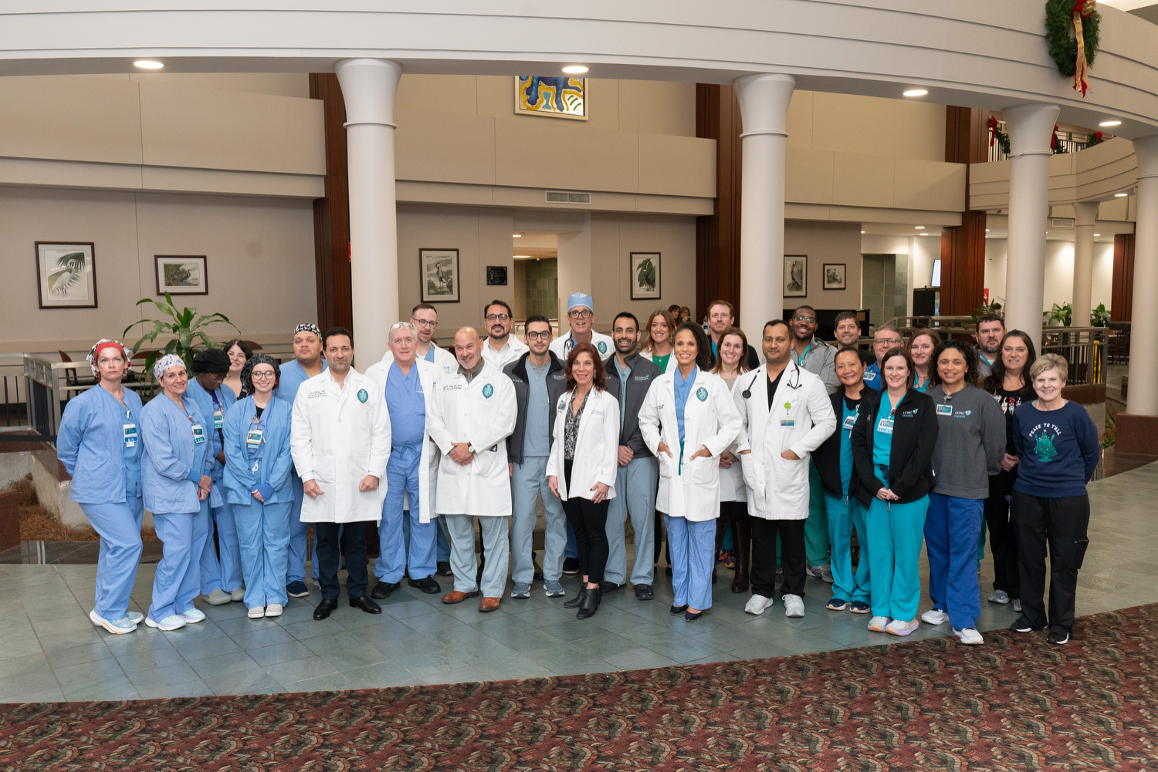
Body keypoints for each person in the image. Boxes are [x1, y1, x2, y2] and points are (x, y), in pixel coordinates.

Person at [639, 323, 741, 621]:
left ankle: (698, 598)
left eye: (690, 344)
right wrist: (657, 444)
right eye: (680, 344)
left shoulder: (712, 384)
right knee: (676, 538)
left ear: (699, 349)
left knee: (702, 539)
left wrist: (711, 448)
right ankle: (680, 595)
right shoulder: (660, 384)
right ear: (674, 348)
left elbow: (732, 423)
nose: (684, 349)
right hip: (672, 470)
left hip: (700, 470)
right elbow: (646, 419)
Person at [733, 320, 836, 618]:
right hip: (758, 471)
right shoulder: (747, 381)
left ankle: (793, 593)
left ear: (791, 343)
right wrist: (744, 449)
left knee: (792, 537)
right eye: (768, 339)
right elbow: (734, 422)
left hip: (790, 470)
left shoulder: (809, 381)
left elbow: (827, 422)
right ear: (762, 342)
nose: (773, 345)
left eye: (780, 339)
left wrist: (798, 449)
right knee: (762, 536)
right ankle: (762, 591)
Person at [290, 327, 391, 621]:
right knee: (325, 542)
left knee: (357, 541)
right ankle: (329, 595)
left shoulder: (368, 387)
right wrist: (307, 475)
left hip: (360, 478)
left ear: (353, 351)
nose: (339, 354)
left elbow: (382, 433)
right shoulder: (309, 389)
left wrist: (374, 472)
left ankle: (358, 592)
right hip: (322, 479)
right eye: (333, 349)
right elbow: (299, 437)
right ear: (325, 352)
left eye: (345, 348)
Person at [1009, 354, 1099, 646]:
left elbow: (1091, 454)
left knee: (1065, 560)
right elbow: (1022, 448)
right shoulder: (1023, 413)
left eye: (1052, 379)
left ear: (1063, 382)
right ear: (1033, 382)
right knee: (1028, 557)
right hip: (1027, 494)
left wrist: (1071, 482)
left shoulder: (1076, 414)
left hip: (1068, 499)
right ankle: (1033, 616)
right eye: (1040, 379)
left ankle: (1061, 624)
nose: (1046, 385)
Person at [57, 340, 146, 635]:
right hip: (100, 489)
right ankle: (109, 611)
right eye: (104, 360)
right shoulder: (82, 404)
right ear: (95, 366)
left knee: (113, 547)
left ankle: (109, 607)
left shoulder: (134, 399)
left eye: (116, 359)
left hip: (131, 487)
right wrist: (89, 473)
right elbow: (66, 449)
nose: (111, 365)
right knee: (129, 544)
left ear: (126, 363)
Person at [921, 340, 1005, 645]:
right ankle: (942, 605)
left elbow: (995, 450)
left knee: (964, 554)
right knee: (938, 551)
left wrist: (977, 473)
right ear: (936, 366)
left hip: (968, 490)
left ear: (968, 365)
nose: (950, 367)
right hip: (933, 490)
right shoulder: (927, 399)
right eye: (944, 362)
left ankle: (965, 619)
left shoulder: (982, 401)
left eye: (956, 362)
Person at [851, 347, 938, 637]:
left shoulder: (922, 403)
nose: (894, 373)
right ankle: (881, 610)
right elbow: (858, 445)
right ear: (881, 371)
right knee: (878, 552)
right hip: (874, 489)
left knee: (906, 553)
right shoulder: (870, 402)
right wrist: (874, 485)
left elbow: (923, 450)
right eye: (889, 368)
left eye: (901, 368)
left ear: (909, 372)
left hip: (909, 491)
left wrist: (899, 487)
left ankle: (903, 614)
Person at [429, 327, 518, 612]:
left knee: (494, 535)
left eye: (470, 346)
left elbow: (505, 423)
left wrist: (471, 446)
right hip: (454, 465)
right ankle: (464, 584)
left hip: (487, 467)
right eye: (459, 348)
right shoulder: (445, 383)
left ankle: (492, 589)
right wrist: (452, 449)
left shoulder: (501, 382)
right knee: (459, 533)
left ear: (480, 345)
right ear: (454, 350)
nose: (465, 353)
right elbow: (433, 421)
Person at [364, 322, 443, 600]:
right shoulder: (375, 373)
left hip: (423, 453)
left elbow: (442, 411)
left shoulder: (433, 372)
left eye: (408, 339)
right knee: (389, 515)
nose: (404, 345)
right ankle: (389, 573)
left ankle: (421, 571)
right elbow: (367, 417)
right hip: (390, 456)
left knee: (424, 514)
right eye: (397, 341)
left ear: (416, 342)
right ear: (390, 346)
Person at [139, 354, 214, 631]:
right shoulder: (153, 411)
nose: (178, 379)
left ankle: (184, 603)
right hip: (170, 494)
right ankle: (159, 610)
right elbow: (163, 460)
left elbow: (205, 444)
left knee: (195, 548)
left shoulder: (191, 405)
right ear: (160, 380)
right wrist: (198, 478)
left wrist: (204, 479)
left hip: (196, 492)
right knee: (177, 551)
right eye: (171, 375)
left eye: (182, 373)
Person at [548, 343, 620, 619]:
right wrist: (553, 472)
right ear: (570, 369)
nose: (581, 369)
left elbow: (611, 443)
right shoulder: (564, 399)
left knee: (595, 534)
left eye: (587, 363)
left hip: (593, 479)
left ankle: (593, 591)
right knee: (579, 534)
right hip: (566, 475)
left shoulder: (607, 401)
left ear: (596, 369)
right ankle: (585, 586)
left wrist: (605, 479)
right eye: (577, 363)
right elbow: (557, 439)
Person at [222, 355, 294, 619]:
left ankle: (275, 596)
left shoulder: (287, 410)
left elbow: (289, 450)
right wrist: (252, 484)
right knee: (250, 545)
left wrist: (271, 485)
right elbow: (231, 452)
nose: (263, 378)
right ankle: (254, 598)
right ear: (249, 378)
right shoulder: (236, 411)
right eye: (257, 374)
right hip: (244, 490)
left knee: (276, 543)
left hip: (277, 490)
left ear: (276, 378)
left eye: (269, 373)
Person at [503, 315, 570, 599]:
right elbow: (503, 416)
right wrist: (508, 455)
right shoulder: (511, 371)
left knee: (556, 518)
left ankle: (553, 576)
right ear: (525, 338)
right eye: (533, 334)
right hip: (523, 459)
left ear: (551, 337)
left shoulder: (565, 370)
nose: (539, 339)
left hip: (555, 459)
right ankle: (522, 576)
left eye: (544, 334)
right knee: (522, 520)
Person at [603, 312, 662, 601]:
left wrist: (631, 446)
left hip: (642, 457)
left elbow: (656, 416)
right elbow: (594, 415)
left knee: (643, 518)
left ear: (638, 336)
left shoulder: (652, 371)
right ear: (612, 335)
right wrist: (613, 447)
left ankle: (642, 577)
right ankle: (613, 575)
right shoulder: (600, 371)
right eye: (619, 330)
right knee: (612, 520)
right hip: (608, 458)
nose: (624, 335)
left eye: (629, 330)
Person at [812, 346, 872, 614]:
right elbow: (817, 442)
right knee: (838, 538)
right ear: (835, 371)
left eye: (852, 364)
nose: (847, 370)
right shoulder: (830, 403)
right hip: (837, 486)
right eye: (841, 366)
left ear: (864, 367)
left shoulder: (878, 401)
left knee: (869, 540)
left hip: (867, 487)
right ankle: (842, 588)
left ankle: (864, 590)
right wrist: (826, 473)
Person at [981, 330, 1037, 612]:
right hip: (994, 471)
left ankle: (1019, 589)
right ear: (1000, 353)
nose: (1013, 354)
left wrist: (1019, 458)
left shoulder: (1036, 387)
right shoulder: (987, 386)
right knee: (998, 528)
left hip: (1027, 472)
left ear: (1029, 354)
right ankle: (1001, 585)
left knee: (1022, 530)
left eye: (1020, 349)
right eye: (1008, 349)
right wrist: (997, 456)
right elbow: (978, 427)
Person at [185, 348, 242, 606]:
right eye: (215, 377)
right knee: (204, 530)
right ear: (201, 372)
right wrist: (218, 453)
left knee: (230, 527)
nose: (219, 381)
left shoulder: (227, 393)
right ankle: (210, 585)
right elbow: (193, 433)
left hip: (228, 472)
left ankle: (233, 582)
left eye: (223, 376)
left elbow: (235, 427)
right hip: (201, 473)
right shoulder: (186, 391)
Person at [275, 323, 327, 599]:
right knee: (296, 522)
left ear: (321, 345)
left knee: (328, 521)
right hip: (293, 460)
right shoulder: (280, 374)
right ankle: (294, 576)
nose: (303, 344)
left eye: (310, 339)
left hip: (329, 459)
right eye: (298, 340)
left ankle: (324, 572)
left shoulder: (334, 369)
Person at [789, 305, 839, 585]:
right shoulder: (780, 346)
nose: (804, 322)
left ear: (816, 326)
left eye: (810, 319)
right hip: (782, 435)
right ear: (791, 321)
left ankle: (817, 560)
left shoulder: (829, 353)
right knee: (780, 500)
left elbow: (829, 388)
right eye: (800, 318)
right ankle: (781, 559)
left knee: (814, 500)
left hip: (815, 436)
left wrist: (793, 395)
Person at [709, 327, 753, 594]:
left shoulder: (752, 380)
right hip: (713, 458)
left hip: (741, 457)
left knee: (739, 513)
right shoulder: (706, 379)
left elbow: (755, 422)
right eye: (727, 345)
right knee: (714, 513)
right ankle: (709, 567)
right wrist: (714, 453)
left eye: (737, 346)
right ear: (719, 347)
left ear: (743, 350)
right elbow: (701, 422)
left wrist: (737, 452)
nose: (731, 350)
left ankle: (742, 570)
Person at [551, 292, 614, 363]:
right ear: (568, 319)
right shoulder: (554, 347)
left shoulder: (609, 344)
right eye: (575, 313)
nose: (580, 317)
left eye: (585, 312)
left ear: (592, 318)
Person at [705, 300, 760, 370]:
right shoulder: (700, 350)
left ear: (732, 320)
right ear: (709, 321)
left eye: (724, 315)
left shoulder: (749, 351)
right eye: (715, 315)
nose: (719, 319)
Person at [410, 302, 458, 375]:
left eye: (432, 323)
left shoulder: (448, 359)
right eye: (422, 322)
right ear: (412, 323)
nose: (427, 327)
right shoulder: (395, 356)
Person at [480, 299, 529, 370]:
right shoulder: (477, 352)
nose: (497, 322)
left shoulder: (525, 352)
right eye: (491, 317)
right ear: (485, 323)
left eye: (502, 317)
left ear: (511, 323)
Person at [862, 326, 904, 391]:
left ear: (901, 345)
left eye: (891, 341)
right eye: (880, 341)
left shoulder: (910, 374)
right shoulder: (862, 373)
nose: (885, 345)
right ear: (874, 346)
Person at [907, 329, 942, 393]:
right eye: (915, 347)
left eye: (925, 346)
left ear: (936, 348)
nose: (919, 352)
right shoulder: (902, 375)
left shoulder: (942, 377)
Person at [974, 313, 1005, 379]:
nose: (991, 335)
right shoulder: (966, 361)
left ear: (1005, 333)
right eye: (985, 331)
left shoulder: (1014, 360)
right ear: (977, 336)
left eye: (996, 330)